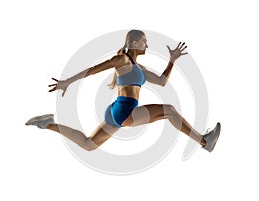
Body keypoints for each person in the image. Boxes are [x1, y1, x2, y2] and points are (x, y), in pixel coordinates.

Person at [25, 30, 221, 152]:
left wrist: (172, 61)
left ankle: (48, 124)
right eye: (144, 41)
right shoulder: (123, 60)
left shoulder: (139, 68)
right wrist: (67, 81)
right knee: (169, 110)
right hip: (125, 111)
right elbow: (95, 69)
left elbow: (162, 81)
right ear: (134, 43)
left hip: (115, 111)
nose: (147, 45)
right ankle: (204, 141)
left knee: (88, 145)